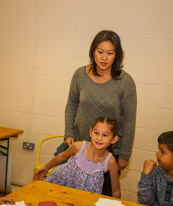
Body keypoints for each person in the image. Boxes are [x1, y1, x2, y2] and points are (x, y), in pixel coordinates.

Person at [61, 30, 137, 195]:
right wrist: (68, 132)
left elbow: (130, 120)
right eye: (100, 52)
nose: (104, 58)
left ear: (116, 55)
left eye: (110, 53)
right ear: (93, 52)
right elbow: (71, 105)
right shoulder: (80, 75)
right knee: (68, 194)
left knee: (102, 197)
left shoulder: (125, 81)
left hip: (108, 152)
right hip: (79, 147)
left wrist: (124, 154)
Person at [34, 117, 121, 198]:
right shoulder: (78, 146)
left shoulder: (110, 161)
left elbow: (116, 191)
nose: (99, 138)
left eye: (105, 135)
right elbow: (62, 157)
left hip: (82, 198)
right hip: (59, 186)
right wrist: (46, 167)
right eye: (96, 133)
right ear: (91, 132)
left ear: (114, 139)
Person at [137, 131, 173, 206]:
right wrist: (146, 174)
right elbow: (144, 202)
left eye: (162, 152)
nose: (157, 154)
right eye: (158, 149)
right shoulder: (155, 171)